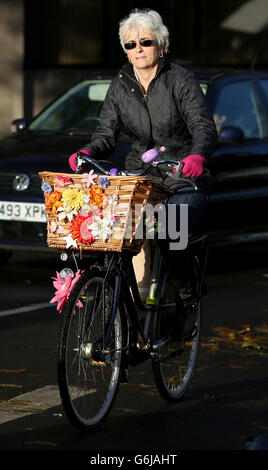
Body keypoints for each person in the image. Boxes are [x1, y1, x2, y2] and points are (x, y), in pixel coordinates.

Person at [68, 8, 218, 336]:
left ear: (160, 45)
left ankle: (187, 298)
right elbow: (106, 133)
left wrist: (196, 156)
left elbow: (203, 126)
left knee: (170, 230)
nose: (137, 49)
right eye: (129, 44)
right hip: (141, 178)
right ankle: (122, 322)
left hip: (182, 178)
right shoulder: (121, 85)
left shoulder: (180, 79)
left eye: (145, 42)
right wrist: (88, 152)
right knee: (112, 236)